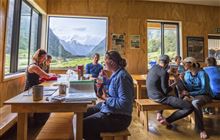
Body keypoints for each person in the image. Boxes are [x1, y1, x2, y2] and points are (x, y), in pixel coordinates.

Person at [83, 51, 134, 140]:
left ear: (112, 62)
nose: (103, 63)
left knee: (83, 125)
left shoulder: (123, 77)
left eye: (105, 61)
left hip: (119, 117)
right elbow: (113, 87)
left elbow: (125, 103)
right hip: (111, 109)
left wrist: (105, 98)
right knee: (83, 113)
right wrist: (105, 81)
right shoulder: (116, 73)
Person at [147, 54, 193, 128]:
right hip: (159, 98)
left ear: (159, 61)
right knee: (189, 107)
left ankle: (159, 114)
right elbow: (166, 91)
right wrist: (175, 83)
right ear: (167, 63)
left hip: (150, 95)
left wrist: (168, 74)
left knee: (172, 96)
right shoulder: (163, 72)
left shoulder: (153, 68)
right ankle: (167, 121)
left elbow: (161, 86)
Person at [181, 57, 212, 139]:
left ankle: (202, 130)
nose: (183, 65)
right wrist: (181, 80)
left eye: (185, 63)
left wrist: (190, 94)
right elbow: (189, 88)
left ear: (191, 64)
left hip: (205, 95)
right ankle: (168, 122)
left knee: (195, 102)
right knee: (183, 100)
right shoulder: (187, 74)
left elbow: (205, 90)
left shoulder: (202, 73)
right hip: (194, 95)